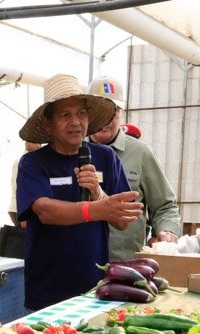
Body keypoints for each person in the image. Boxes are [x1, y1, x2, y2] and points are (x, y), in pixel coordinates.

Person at [16, 74, 141, 311]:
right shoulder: (33, 163)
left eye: (81, 114)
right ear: (46, 123)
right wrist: (96, 209)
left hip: (96, 287)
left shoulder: (105, 156)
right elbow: (44, 211)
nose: (75, 122)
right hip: (48, 290)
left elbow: (123, 221)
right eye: (65, 115)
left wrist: (98, 192)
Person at [89, 76, 181, 260]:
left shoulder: (142, 154)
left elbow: (164, 205)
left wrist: (167, 231)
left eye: (112, 111)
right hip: (79, 265)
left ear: (121, 112)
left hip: (125, 266)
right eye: (98, 110)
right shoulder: (73, 152)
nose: (104, 119)